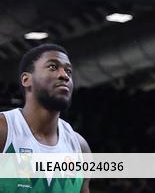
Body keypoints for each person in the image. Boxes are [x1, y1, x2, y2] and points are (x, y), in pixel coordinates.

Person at [0, 44, 91, 193]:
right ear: (26, 80)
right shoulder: (4, 130)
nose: (64, 75)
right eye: (53, 67)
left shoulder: (80, 147)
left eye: (68, 71)